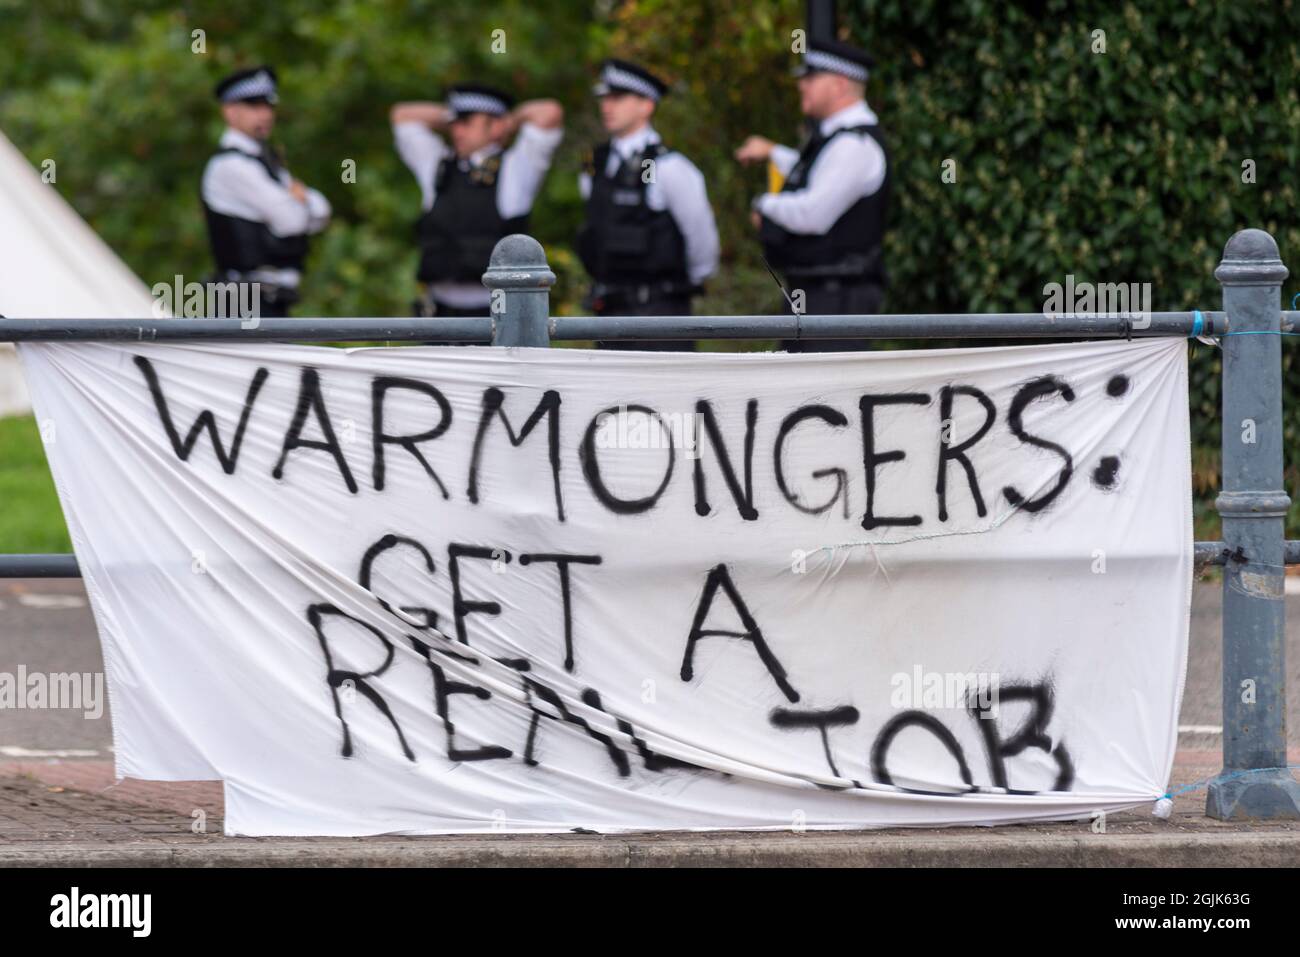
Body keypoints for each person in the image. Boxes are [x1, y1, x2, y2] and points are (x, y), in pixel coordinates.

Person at [736, 38, 888, 352]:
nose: (801, 85)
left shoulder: (854, 145)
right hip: (819, 296)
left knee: (824, 397)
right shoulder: (838, 139)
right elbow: (817, 174)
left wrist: (764, 205)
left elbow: (813, 213)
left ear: (840, 84)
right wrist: (774, 152)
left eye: (810, 78)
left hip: (836, 302)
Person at [577, 59, 719, 351]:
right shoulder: (596, 164)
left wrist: (678, 285)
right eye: (605, 97)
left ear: (646, 105)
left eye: (618, 98)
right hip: (609, 316)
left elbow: (702, 242)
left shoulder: (671, 167)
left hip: (661, 317)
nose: (607, 106)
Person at [391, 85, 563, 320]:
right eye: (455, 123)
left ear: (497, 125)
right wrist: (451, 114)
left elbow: (549, 112)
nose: (457, 130)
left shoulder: (515, 168)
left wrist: (509, 121)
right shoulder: (439, 165)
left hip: (496, 314)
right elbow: (401, 116)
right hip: (439, 313)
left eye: (467, 122)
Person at [201, 66, 331, 318]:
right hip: (244, 305)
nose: (264, 114)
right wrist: (299, 201)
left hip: (272, 302)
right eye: (253, 105)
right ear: (229, 111)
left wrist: (301, 203)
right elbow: (293, 222)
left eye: (268, 106)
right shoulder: (231, 166)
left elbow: (322, 211)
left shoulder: (266, 163)